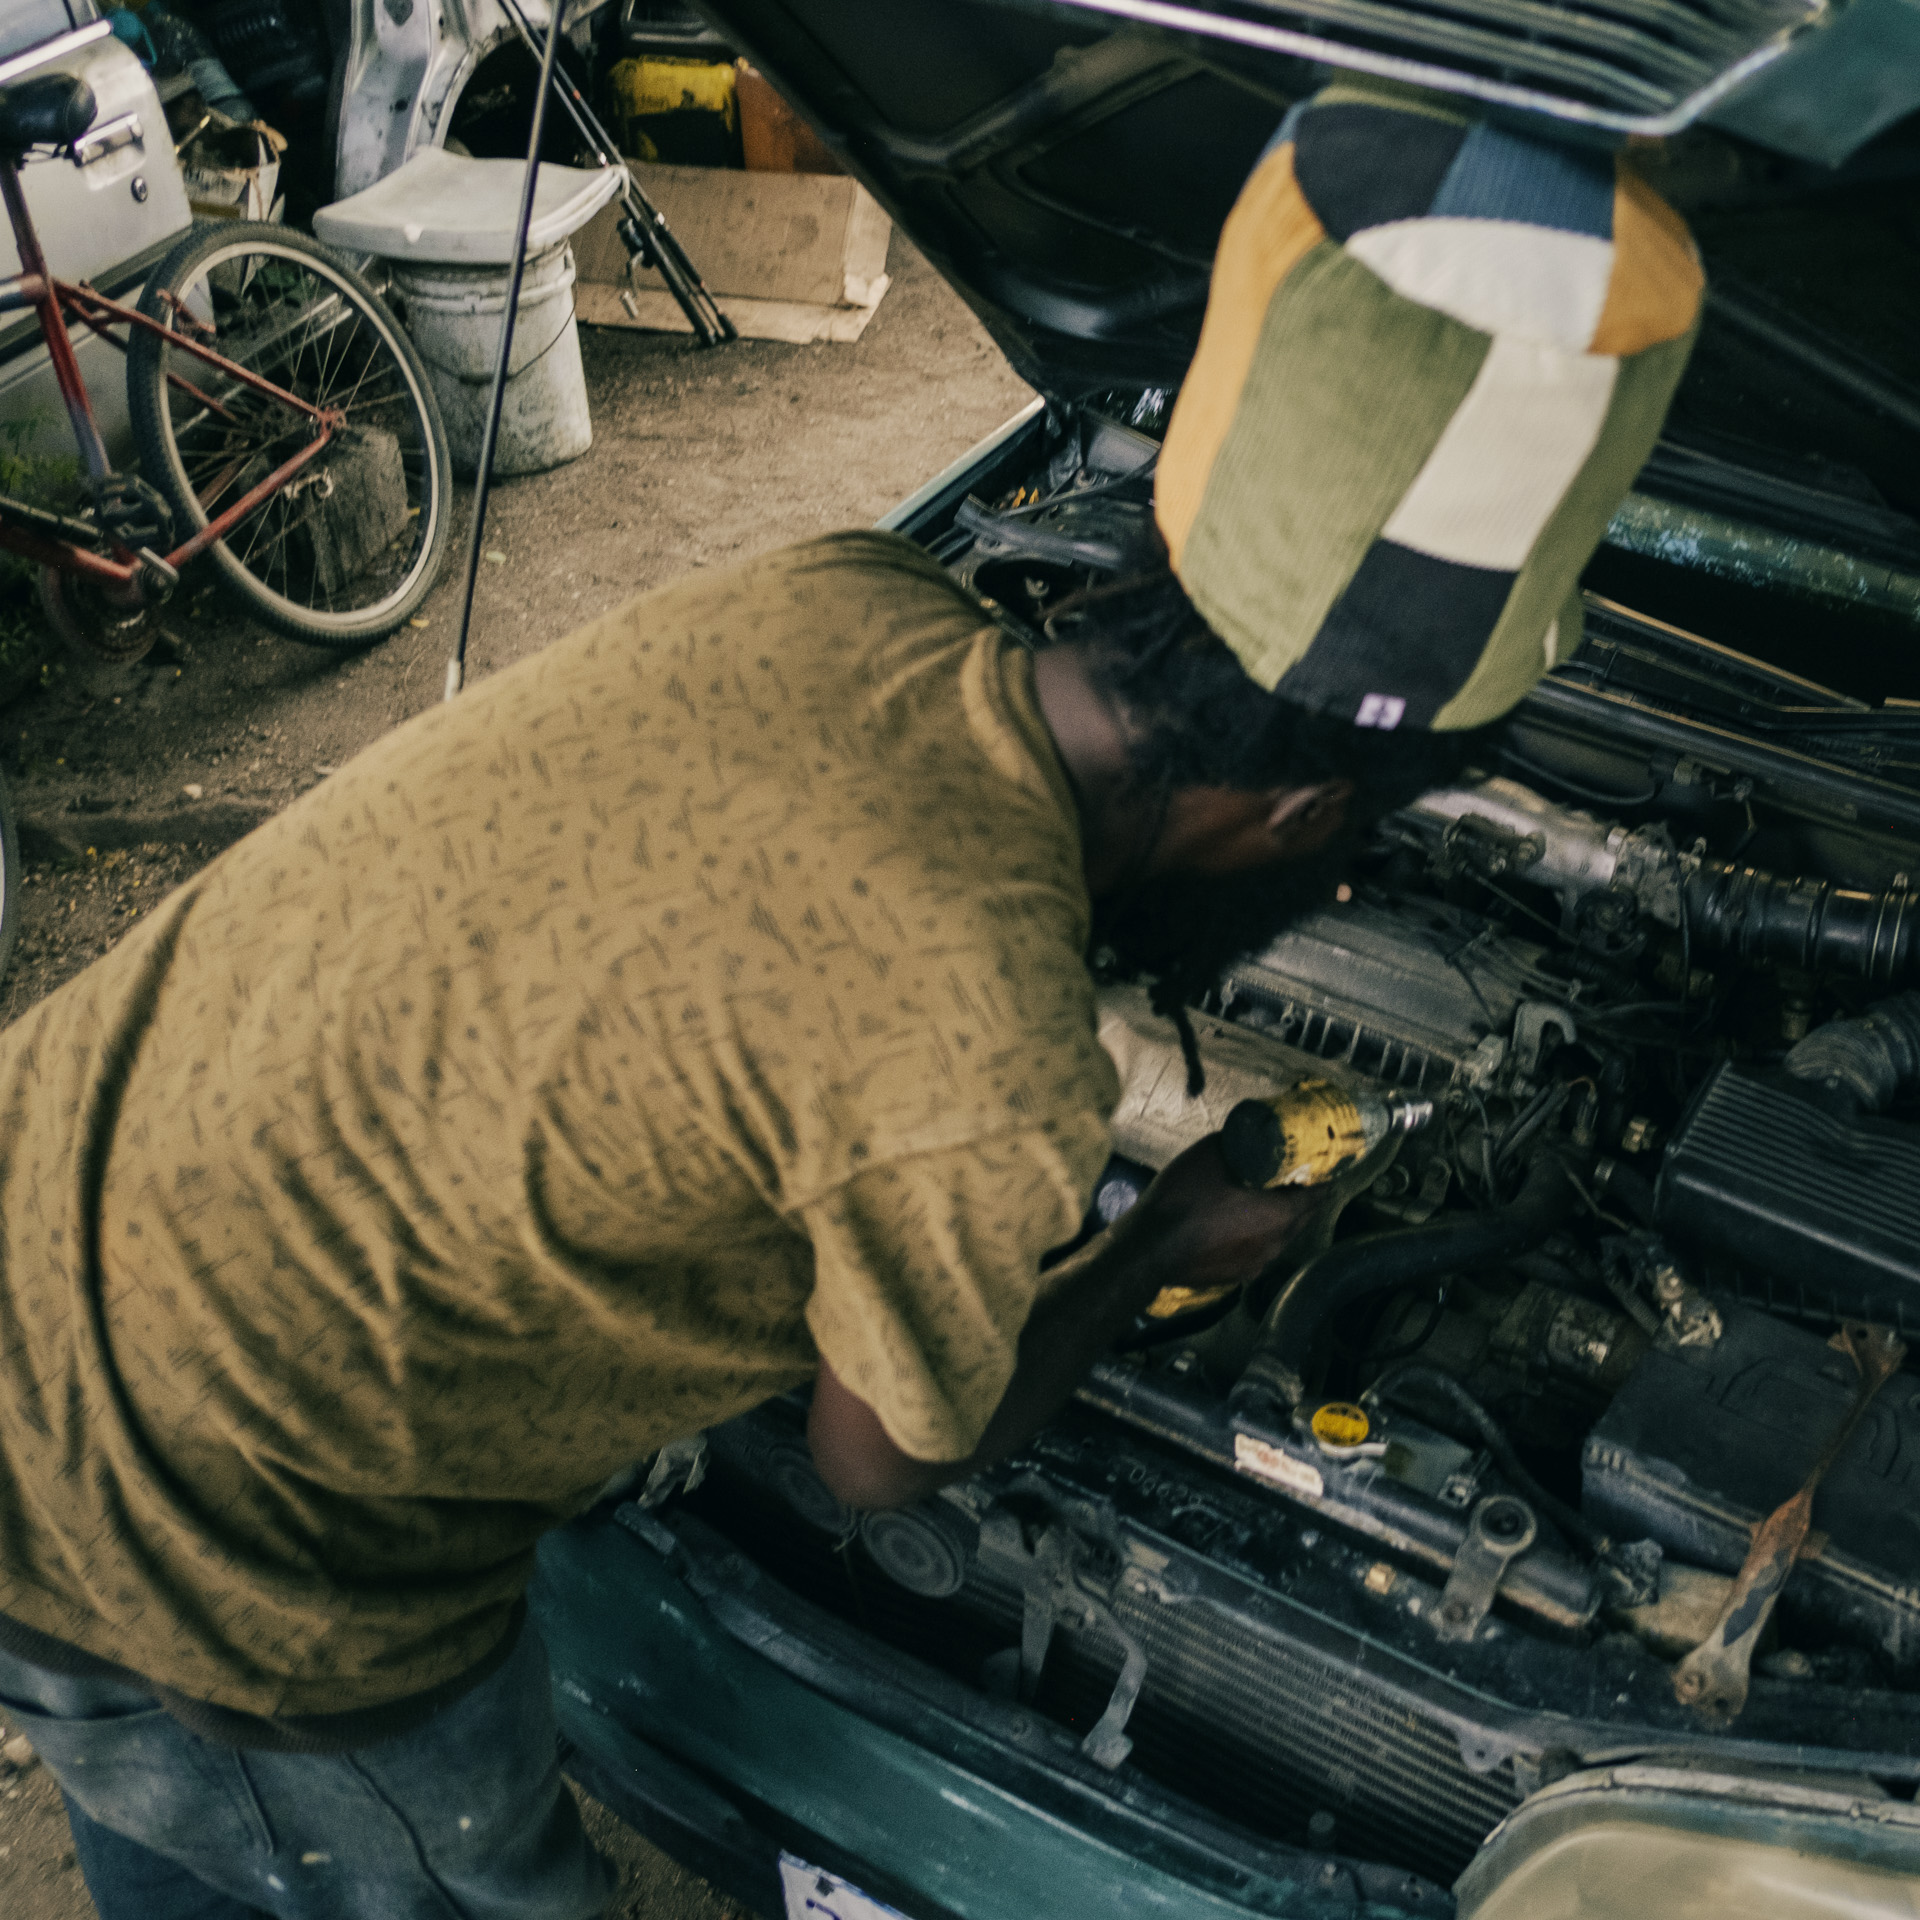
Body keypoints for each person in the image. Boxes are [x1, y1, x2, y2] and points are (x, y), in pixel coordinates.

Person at [0, 79, 1700, 1920]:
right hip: (206, 1518)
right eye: (1351, 847)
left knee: (177, 1836)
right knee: (375, 1871)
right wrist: (1163, 1245)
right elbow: (886, 1464)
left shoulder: (854, 591)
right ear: (1298, 812)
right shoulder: (987, 1042)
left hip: (56, 1184)